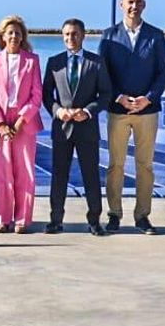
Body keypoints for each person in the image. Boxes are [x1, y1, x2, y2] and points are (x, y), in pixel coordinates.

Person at [98, 0, 165, 233]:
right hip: (118, 110)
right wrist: (119, 97)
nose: (134, 6)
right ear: (122, 5)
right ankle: (114, 214)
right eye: (130, 2)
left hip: (147, 112)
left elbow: (164, 72)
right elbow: (103, 72)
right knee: (115, 164)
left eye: (138, 2)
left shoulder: (156, 36)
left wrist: (148, 98)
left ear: (144, 5)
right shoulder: (109, 36)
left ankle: (142, 216)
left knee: (145, 165)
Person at [42, 18, 113, 235]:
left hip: (87, 128)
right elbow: (46, 95)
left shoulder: (96, 62)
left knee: (91, 175)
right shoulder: (54, 63)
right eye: (66, 34)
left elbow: (106, 94)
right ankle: (55, 220)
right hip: (62, 128)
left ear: (82, 36)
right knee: (59, 176)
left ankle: (94, 221)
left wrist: (89, 111)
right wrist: (57, 111)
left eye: (74, 34)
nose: (70, 38)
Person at [0, 15, 42, 233]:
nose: (14, 36)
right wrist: (0, 124)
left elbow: (36, 95)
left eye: (18, 33)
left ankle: (22, 219)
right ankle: (3, 218)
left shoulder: (32, 60)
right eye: (10, 32)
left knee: (25, 172)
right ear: (2, 36)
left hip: (24, 123)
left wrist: (20, 121)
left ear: (22, 36)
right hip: (0, 123)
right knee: (2, 173)